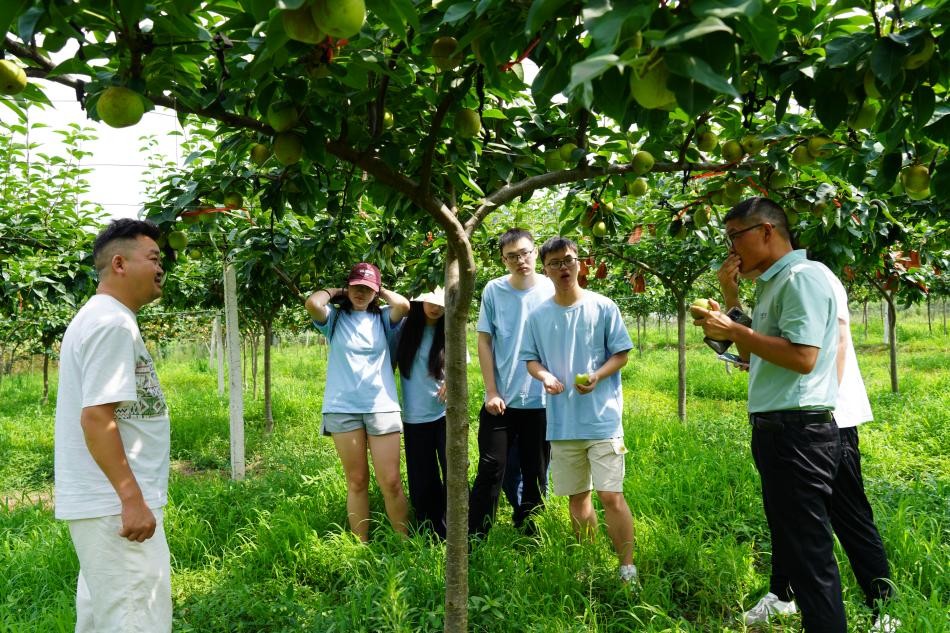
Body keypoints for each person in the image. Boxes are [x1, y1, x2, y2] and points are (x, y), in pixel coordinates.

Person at [693, 197, 846, 632]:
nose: (730, 250)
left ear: (766, 231)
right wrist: (730, 304)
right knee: (797, 548)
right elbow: (750, 357)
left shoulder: (800, 278)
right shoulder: (774, 283)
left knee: (811, 556)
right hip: (779, 430)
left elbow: (802, 357)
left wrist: (735, 328)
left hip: (798, 432)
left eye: (734, 238)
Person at [721, 256, 897, 631]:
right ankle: (783, 593)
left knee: (848, 515)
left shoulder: (811, 278)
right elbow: (763, 348)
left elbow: (836, 342)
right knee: (789, 518)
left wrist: (824, 407)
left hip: (828, 418)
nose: (736, 250)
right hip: (800, 415)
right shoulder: (777, 283)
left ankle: (884, 605)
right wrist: (730, 294)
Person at [54, 218, 172, 631]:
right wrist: (131, 499)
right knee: (137, 618)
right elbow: (97, 417)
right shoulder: (111, 323)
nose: (162, 267)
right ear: (119, 264)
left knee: (105, 616)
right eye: (154, 257)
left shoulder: (104, 317)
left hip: (104, 507)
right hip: (115, 508)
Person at [521, 236, 637, 584]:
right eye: (554, 263)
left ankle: (626, 567)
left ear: (580, 263)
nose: (563, 267)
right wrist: (544, 376)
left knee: (611, 495)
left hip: (601, 419)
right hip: (562, 420)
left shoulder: (603, 306)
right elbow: (531, 359)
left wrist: (598, 376)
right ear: (545, 269)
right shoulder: (539, 316)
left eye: (568, 260)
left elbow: (622, 353)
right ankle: (589, 566)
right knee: (578, 498)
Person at [305, 262, 411, 541]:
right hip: (343, 409)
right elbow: (313, 303)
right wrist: (338, 291)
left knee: (391, 481)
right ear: (348, 287)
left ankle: (405, 543)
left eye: (367, 289)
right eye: (356, 287)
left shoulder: (384, 319)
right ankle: (360, 545)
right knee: (357, 480)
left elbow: (404, 306)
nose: (361, 293)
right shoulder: (334, 319)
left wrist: (378, 288)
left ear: (375, 292)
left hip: (382, 406)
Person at [469, 228, 554, 536]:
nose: (521, 260)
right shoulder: (493, 290)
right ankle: (475, 537)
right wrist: (491, 390)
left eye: (526, 253)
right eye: (513, 256)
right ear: (503, 260)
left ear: (536, 253)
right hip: (502, 399)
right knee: (492, 468)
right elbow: (484, 341)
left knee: (536, 473)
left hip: (541, 400)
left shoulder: (550, 288)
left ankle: (530, 532)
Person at [394, 287, 449, 539]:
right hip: (414, 418)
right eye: (431, 301)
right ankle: (430, 528)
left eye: (442, 303)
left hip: (445, 416)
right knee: (422, 477)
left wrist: (453, 383)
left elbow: (461, 368)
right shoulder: (404, 329)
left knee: (452, 471)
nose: (436, 307)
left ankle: (456, 526)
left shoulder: (450, 332)